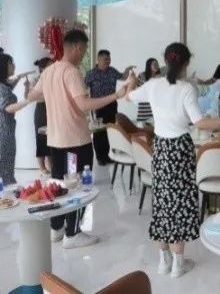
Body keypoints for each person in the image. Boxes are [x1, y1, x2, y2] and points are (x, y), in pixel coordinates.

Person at [126, 43, 220, 278]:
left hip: (161, 148)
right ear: (186, 63)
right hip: (180, 149)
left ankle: (164, 262)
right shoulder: (185, 89)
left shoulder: (152, 85)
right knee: (179, 203)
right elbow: (200, 122)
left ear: (165, 60)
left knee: (162, 202)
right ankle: (178, 264)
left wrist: (131, 79)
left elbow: (129, 96)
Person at [27, 30, 127, 249]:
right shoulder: (71, 72)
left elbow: (32, 95)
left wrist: (53, 95)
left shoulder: (49, 71)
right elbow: (83, 105)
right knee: (77, 184)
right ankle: (72, 233)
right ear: (77, 47)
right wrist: (115, 96)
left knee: (57, 182)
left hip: (56, 140)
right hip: (75, 141)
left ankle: (56, 228)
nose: (83, 54)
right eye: (84, 49)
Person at [84, 50, 134, 165]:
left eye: (109, 59)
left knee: (110, 130)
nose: (108, 61)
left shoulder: (112, 71)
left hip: (111, 105)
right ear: (98, 59)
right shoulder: (91, 74)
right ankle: (100, 157)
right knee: (99, 132)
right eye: (105, 59)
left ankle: (108, 155)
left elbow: (123, 77)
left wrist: (127, 70)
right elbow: (84, 87)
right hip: (98, 106)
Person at [0, 54, 33, 185]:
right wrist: (28, 100)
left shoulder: (4, 85)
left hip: (7, 130)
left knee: (7, 163)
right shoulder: (1, 88)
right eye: (11, 63)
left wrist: (19, 78)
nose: (14, 65)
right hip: (4, 133)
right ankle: (7, 188)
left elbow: (9, 88)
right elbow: (8, 107)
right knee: (5, 166)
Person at [31, 57, 54, 176]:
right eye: (50, 65)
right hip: (41, 109)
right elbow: (32, 96)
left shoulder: (54, 78)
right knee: (40, 138)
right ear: (42, 68)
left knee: (51, 138)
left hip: (52, 108)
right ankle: (42, 168)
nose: (52, 67)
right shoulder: (36, 79)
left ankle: (51, 166)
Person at [136, 58, 162, 123]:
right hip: (145, 106)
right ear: (149, 65)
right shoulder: (142, 75)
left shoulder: (161, 76)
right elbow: (138, 89)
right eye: (154, 64)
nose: (156, 66)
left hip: (157, 105)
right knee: (142, 125)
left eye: (157, 64)